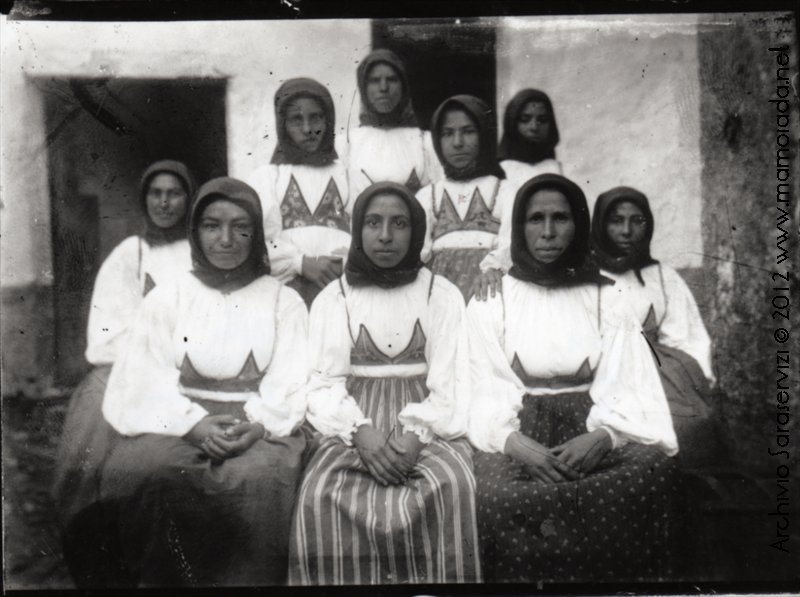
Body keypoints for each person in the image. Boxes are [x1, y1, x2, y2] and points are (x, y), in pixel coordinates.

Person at [466, 173, 679, 583]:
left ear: (579, 224)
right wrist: (514, 443)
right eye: (535, 219)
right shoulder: (493, 298)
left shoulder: (608, 295)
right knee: (496, 495)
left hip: (592, 423)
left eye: (561, 218)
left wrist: (604, 437)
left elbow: (629, 383)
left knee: (652, 474)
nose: (547, 232)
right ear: (518, 227)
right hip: (517, 431)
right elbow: (483, 384)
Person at [98, 177, 308, 587]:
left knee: (260, 482)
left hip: (256, 427)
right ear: (195, 231)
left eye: (240, 227)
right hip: (178, 421)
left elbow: (292, 378)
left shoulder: (284, 300)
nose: (226, 239)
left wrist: (258, 425)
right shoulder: (168, 296)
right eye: (212, 225)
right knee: (143, 472)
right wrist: (193, 425)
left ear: (257, 234)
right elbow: (143, 374)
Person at [290, 182, 480, 585]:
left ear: (417, 232)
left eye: (399, 224)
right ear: (358, 230)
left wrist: (415, 435)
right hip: (353, 422)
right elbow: (323, 383)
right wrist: (359, 432)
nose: (386, 236)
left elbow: (452, 382)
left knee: (451, 485)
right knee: (321, 491)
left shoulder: (440, 294)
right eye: (373, 223)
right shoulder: (334, 297)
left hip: (429, 422)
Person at [52, 159, 196, 587]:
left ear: (190, 198)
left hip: (187, 370)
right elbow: (104, 338)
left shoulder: (202, 248)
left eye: (175, 193)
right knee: (88, 448)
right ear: (144, 199)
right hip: (125, 368)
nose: (166, 202)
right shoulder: (129, 255)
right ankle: (96, 559)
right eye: (157, 193)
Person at [590, 186, 720, 467]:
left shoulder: (663, 277)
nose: (626, 230)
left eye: (637, 221)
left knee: (683, 424)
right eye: (615, 221)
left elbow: (688, 339)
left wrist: (684, 382)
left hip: (657, 375)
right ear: (600, 225)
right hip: (602, 374)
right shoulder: (585, 277)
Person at [248, 77, 351, 307]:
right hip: (286, 294)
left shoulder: (347, 175)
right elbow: (255, 241)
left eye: (315, 117)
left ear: (328, 120)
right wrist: (301, 263)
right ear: (282, 125)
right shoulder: (269, 177)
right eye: (296, 120)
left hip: (344, 293)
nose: (308, 129)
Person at [417, 95, 508, 300]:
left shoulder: (505, 191)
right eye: (448, 134)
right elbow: (417, 254)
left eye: (468, 132)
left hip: (489, 292)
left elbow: (512, 243)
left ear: (484, 135)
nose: (457, 143)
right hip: (439, 297)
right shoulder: (428, 196)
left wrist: (495, 268)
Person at [471, 89, 563, 287]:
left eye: (542, 120)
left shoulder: (554, 168)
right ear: (513, 123)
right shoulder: (500, 170)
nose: (534, 126)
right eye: (525, 119)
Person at [347, 48, 441, 198]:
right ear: (364, 88)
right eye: (374, 81)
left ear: (404, 86)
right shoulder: (348, 143)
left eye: (392, 79)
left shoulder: (425, 142)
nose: (383, 88)